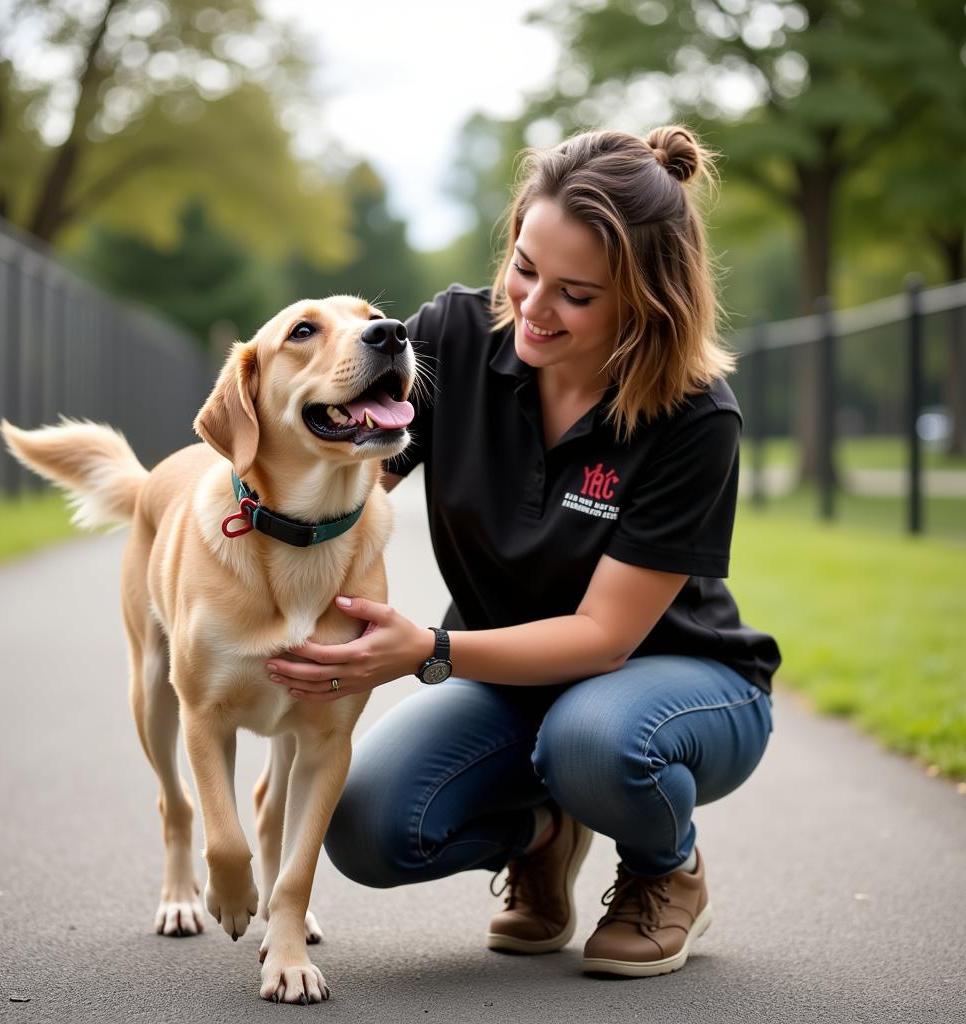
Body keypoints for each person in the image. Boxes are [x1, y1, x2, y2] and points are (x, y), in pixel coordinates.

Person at [264, 125, 781, 979]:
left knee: (591, 741)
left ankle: (665, 871)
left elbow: (603, 638)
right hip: (507, 682)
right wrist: (233, 525)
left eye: (578, 294)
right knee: (363, 826)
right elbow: (346, 488)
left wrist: (425, 652)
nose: (534, 308)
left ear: (646, 300)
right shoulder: (454, 337)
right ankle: (542, 833)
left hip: (676, 686)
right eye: (526, 268)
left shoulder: (695, 417)